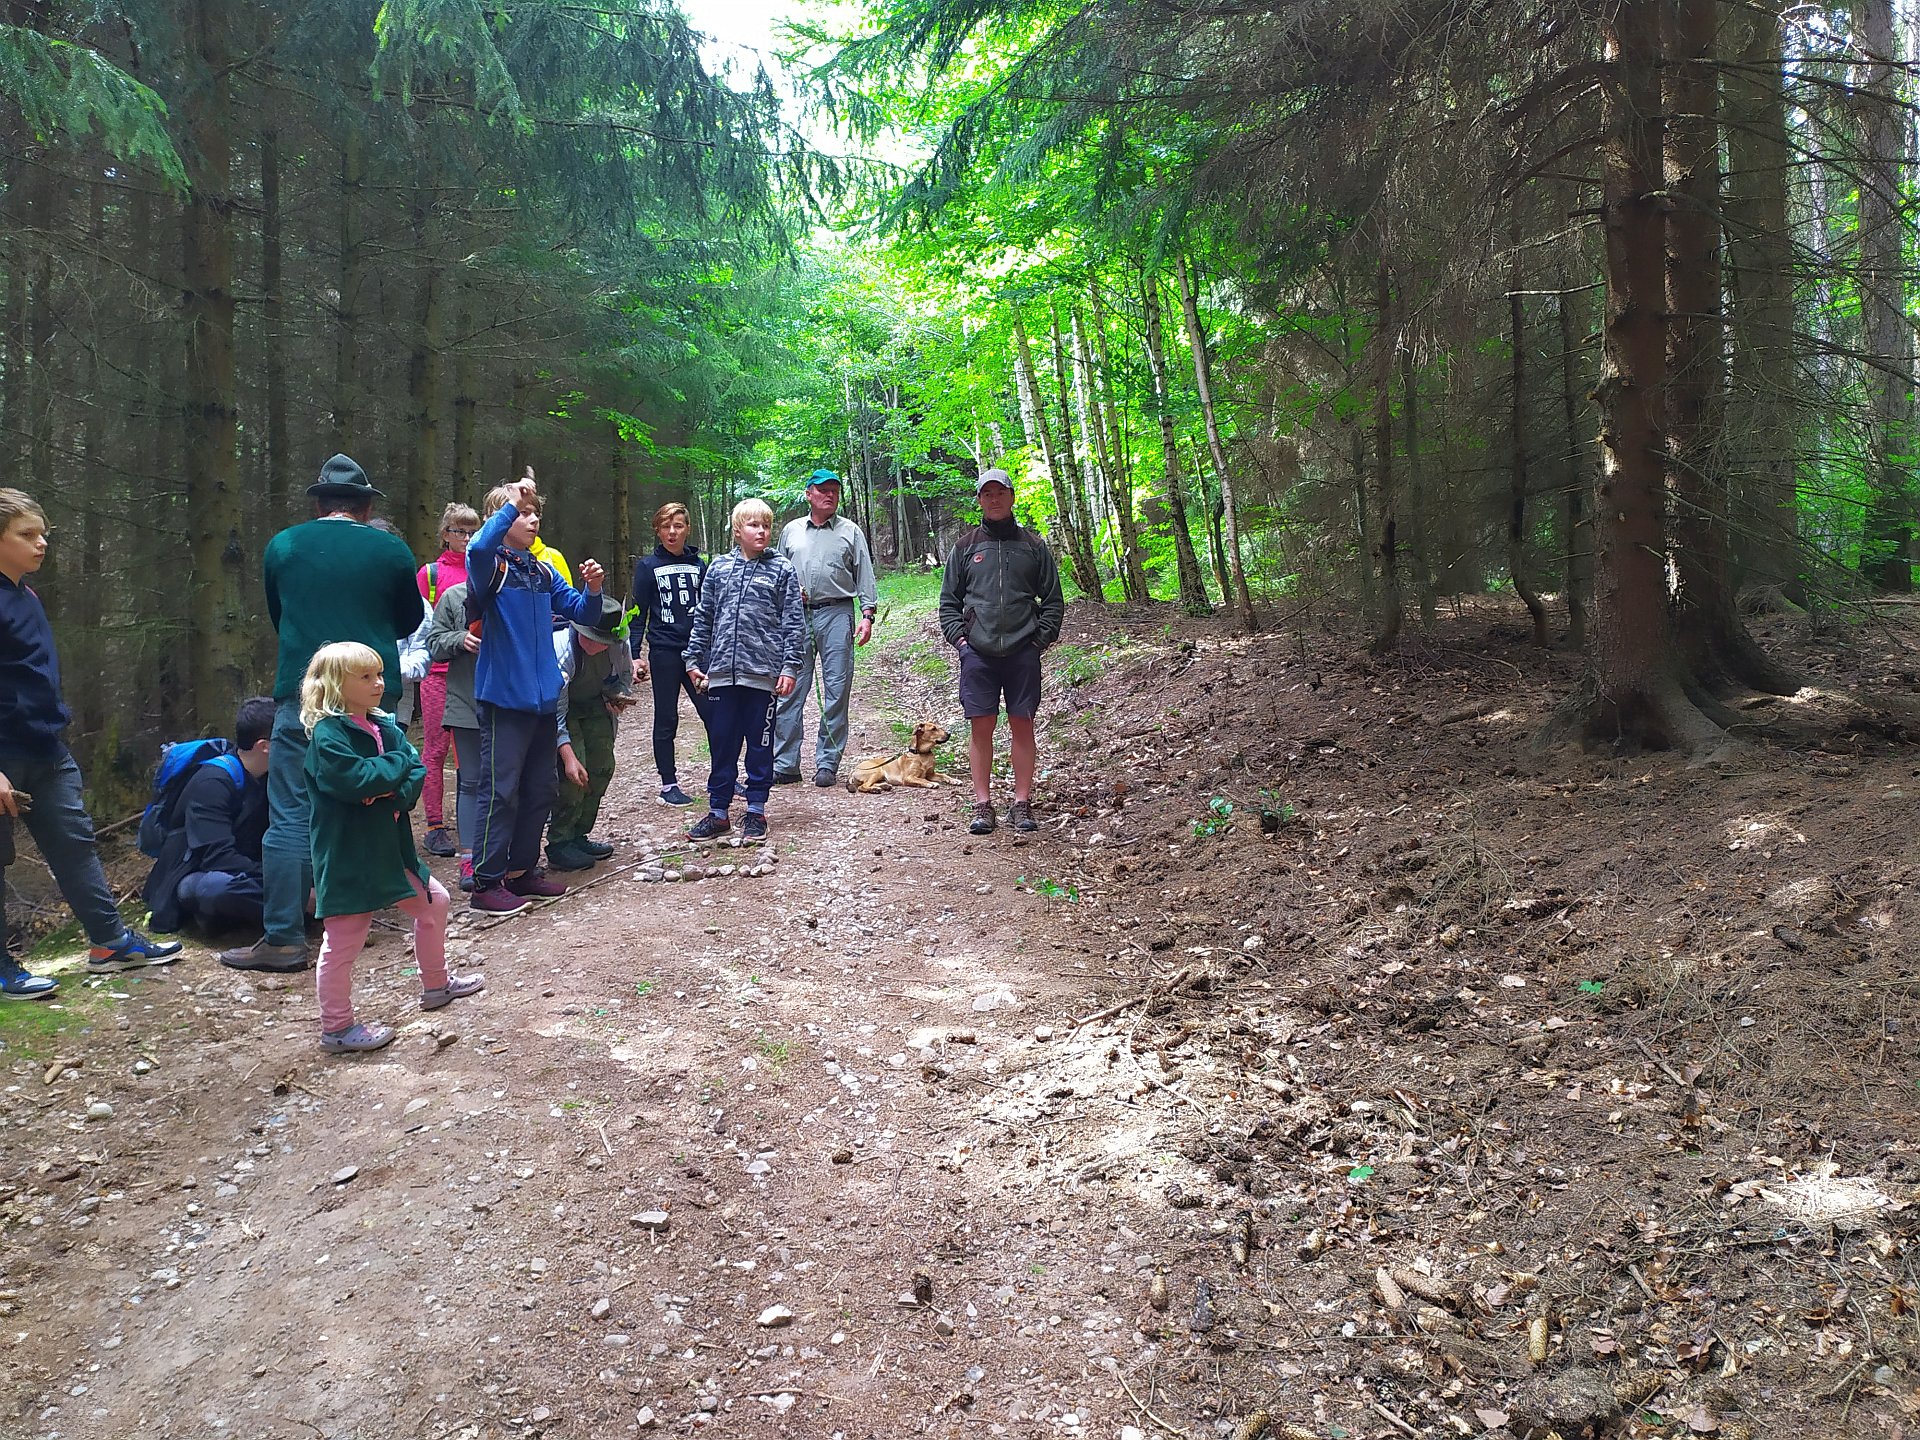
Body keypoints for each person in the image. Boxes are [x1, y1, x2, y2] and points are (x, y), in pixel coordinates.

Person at [220, 455, 422, 974]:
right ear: (367, 506)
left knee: (292, 813)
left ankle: (284, 938)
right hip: (372, 695)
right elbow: (408, 620)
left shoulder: (284, 545)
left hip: (303, 694)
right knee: (376, 795)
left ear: (318, 504)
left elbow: (280, 615)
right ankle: (367, 911)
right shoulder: (391, 549)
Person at [0, 488, 183, 998]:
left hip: (45, 748)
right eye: (27, 535)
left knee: (75, 845)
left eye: (43, 534)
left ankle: (109, 942)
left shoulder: (26, 595)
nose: (41, 544)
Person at [300, 642, 483, 1054]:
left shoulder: (384, 726)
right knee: (345, 939)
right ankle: (337, 1028)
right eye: (365, 677)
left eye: (379, 674)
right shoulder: (328, 735)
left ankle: (436, 984)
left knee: (434, 902)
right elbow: (356, 780)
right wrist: (393, 770)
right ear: (335, 685)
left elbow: (414, 772)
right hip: (348, 853)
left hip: (390, 846)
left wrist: (391, 790)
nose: (379, 683)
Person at [465, 476, 615, 913]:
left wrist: (592, 588)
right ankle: (486, 882)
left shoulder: (540, 570)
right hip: (504, 698)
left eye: (534, 514)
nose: (532, 521)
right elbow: (477, 548)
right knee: (501, 791)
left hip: (543, 699)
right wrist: (510, 503)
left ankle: (521, 871)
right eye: (523, 514)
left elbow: (580, 611)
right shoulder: (492, 567)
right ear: (501, 517)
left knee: (540, 789)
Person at [938, 469, 1064, 836]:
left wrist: (1039, 640)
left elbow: (1053, 600)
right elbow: (948, 602)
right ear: (979, 500)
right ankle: (982, 804)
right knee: (981, 726)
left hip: (1023, 649)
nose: (994, 499)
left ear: (1011, 497)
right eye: (987, 494)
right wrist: (961, 642)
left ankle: (1021, 803)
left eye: (1000, 492)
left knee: (1022, 723)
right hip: (978, 652)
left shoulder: (1033, 546)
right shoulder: (965, 547)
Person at [684, 498, 803, 842]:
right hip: (722, 674)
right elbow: (704, 617)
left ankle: (756, 810)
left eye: (766, 525)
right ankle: (718, 812)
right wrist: (693, 660)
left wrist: (789, 667)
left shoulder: (781, 570)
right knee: (722, 743)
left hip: (763, 675)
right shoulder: (718, 569)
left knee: (760, 744)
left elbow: (793, 622)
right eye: (753, 525)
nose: (761, 531)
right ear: (737, 531)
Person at [772, 469, 878, 788]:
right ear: (809, 494)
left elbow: (864, 573)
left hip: (837, 613)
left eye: (834, 490)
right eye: (823, 490)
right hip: (796, 616)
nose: (830, 495)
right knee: (790, 687)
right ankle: (785, 764)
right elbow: (777, 572)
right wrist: (784, 598)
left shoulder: (850, 531)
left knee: (837, 689)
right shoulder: (791, 531)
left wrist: (868, 614)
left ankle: (827, 762)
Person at [141, 695, 274, 934]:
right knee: (218, 888)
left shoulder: (269, 779)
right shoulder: (213, 781)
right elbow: (217, 858)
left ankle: (282, 904)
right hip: (197, 874)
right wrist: (282, 880)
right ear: (265, 746)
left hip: (249, 871)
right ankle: (294, 905)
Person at [629, 501, 710, 807]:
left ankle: (723, 776)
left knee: (713, 714)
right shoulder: (648, 566)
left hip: (697, 651)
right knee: (666, 717)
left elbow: (710, 610)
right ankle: (668, 784)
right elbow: (638, 614)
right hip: (664, 651)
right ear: (657, 531)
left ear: (688, 528)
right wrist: (634, 654)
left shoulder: (699, 566)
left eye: (678, 526)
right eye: (666, 527)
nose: (672, 532)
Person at [546, 609, 637, 870]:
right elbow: (555, 711)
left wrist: (618, 695)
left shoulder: (619, 645)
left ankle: (579, 834)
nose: (598, 645)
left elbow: (624, 676)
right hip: (564, 710)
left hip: (595, 705)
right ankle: (559, 842)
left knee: (602, 767)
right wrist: (568, 757)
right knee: (574, 776)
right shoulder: (562, 649)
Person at [416, 502, 479, 857]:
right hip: (438, 675)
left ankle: (471, 821)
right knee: (436, 750)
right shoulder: (431, 575)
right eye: (460, 531)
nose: (467, 538)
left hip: (473, 676)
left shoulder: (484, 569)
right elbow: (422, 629)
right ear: (445, 535)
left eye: (472, 532)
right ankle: (435, 825)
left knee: (467, 753)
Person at [425, 579, 482, 892]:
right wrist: (460, 639)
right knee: (470, 781)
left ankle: (508, 857)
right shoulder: (454, 596)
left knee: (510, 782)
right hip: (465, 701)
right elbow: (434, 644)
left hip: (511, 701)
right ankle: (469, 860)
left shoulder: (517, 590)